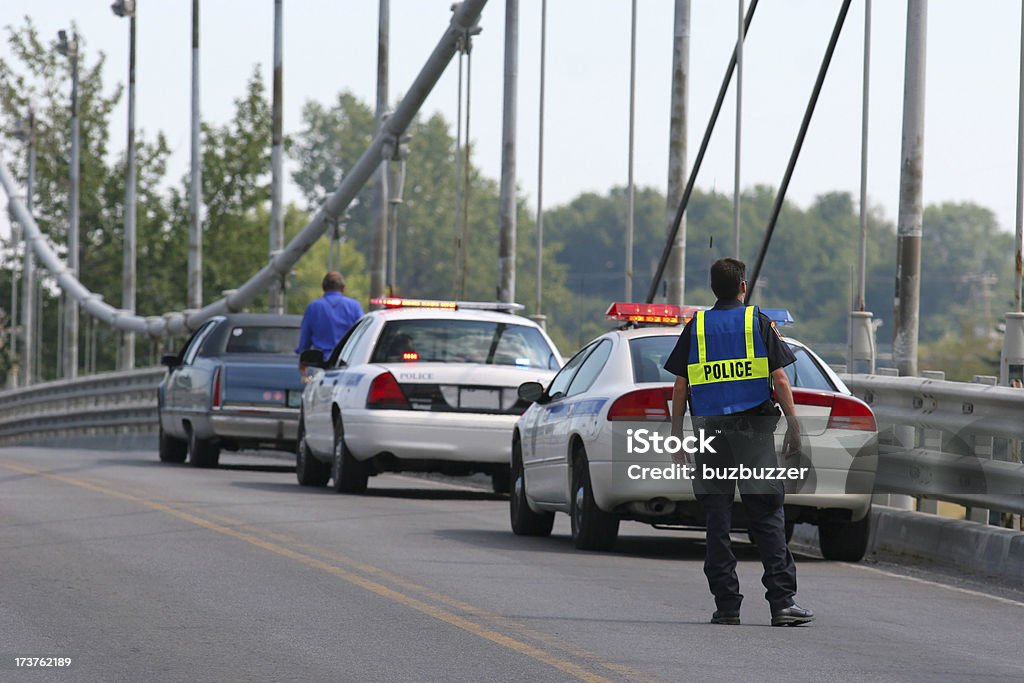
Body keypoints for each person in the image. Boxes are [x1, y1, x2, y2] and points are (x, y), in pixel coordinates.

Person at [663, 257, 814, 627]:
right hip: (753, 433)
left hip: (710, 432)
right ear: (743, 285)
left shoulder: (696, 327)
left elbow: (681, 385)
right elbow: (779, 379)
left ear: (713, 288)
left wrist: (676, 434)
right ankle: (782, 603)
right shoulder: (758, 322)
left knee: (717, 518)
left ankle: (726, 605)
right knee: (765, 516)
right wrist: (794, 426)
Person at [295, 272, 364, 367]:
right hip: (348, 362)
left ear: (323, 287)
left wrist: (303, 358)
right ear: (343, 287)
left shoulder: (313, 307)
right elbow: (362, 334)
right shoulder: (354, 306)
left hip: (322, 363)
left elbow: (305, 339)